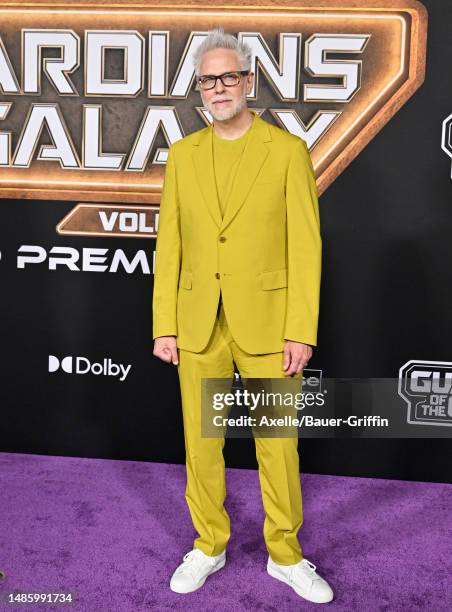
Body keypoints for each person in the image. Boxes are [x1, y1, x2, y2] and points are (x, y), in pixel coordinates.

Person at [152, 27, 333, 604]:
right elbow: (170, 243)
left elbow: (307, 246)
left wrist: (299, 329)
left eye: (229, 76)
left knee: (276, 444)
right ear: (199, 89)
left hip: (268, 324)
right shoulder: (183, 155)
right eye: (208, 79)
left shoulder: (285, 152)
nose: (219, 87)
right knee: (201, 443)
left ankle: (286, 554)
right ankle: (209, 543)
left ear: (249, 81)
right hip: (198, 323)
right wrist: (165, 323)